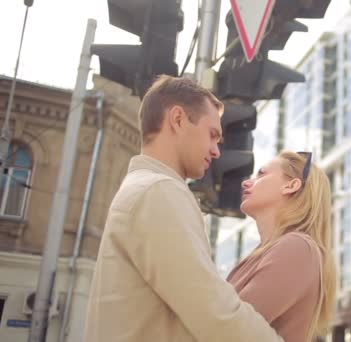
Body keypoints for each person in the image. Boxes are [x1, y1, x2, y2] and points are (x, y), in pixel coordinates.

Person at [84, 75, 282, 342]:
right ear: (177, 119)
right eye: (212, 135)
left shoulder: (144, 188)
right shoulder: (159, 192)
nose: (216, 152)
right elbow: (215, 312)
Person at [227, 151, 337, 342]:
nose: (246, 183)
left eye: (261, 174)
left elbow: (228, 327)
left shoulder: (297, 248)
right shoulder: (267, 252)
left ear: (291, 185)